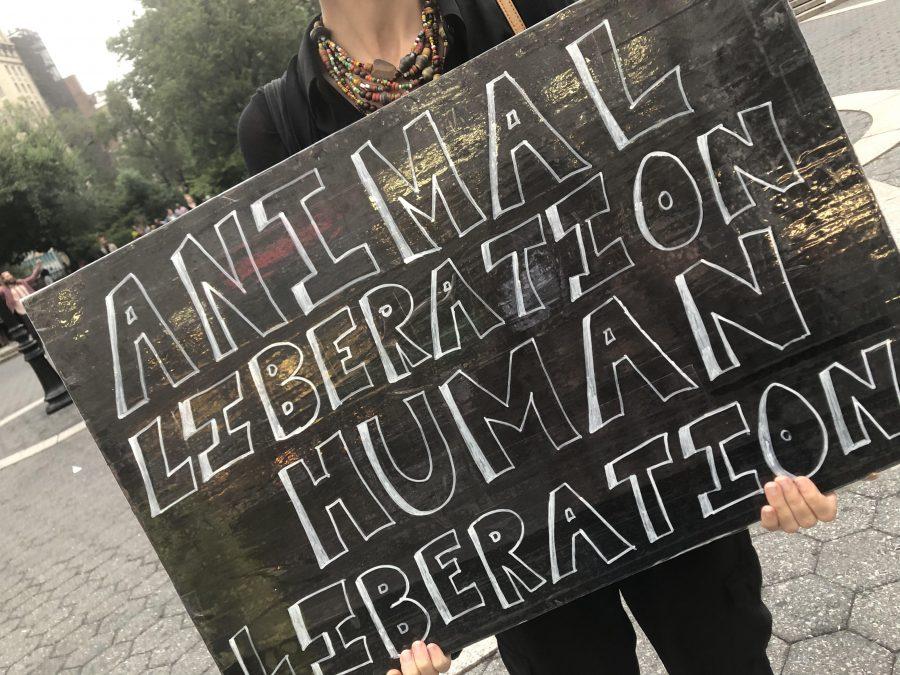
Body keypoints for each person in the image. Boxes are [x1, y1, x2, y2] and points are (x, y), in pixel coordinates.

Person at [238, 3, 840, 674]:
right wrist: (397, 608)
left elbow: (683, 192)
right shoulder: (279, 126)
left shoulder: (523, 11)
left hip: (648, 419)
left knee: (722, 654)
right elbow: (340, 368)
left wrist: (800, 418)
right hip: (499, 498)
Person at [1, 261, 42, 340]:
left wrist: (37, 267)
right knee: (34, 332)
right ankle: (40, 348)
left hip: (35, 307)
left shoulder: (21, 282)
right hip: (23, 313)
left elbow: (32, 277)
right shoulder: (4, 290)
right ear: (3, 280)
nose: (9, 277)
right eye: (6, 276)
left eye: (9, 275)